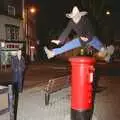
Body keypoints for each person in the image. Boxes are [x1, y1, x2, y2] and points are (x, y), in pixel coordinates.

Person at [44, 6, 114, 62]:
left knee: (100, 47)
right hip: (81, 40)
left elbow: (91, 29)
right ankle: (52, 53)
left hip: (91, 37)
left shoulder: (85, 20)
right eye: (73, 17)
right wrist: (59, 40)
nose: (75, 19)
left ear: (79, 15)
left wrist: (87, 37)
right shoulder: (71, 22)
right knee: (68, 45)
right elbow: (66, 30)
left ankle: (107, 54)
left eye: (76, 17)